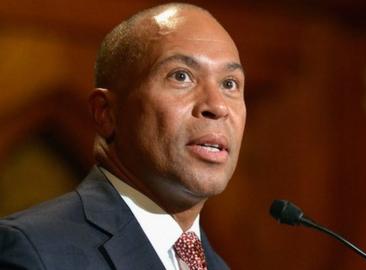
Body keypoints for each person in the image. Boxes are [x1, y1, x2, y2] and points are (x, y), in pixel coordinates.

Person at [0, 2, 246, 270]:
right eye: (181, 76)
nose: (217, 106)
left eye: (229, 83)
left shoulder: (218, 266)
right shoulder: (36, 252)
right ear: (106, 113)